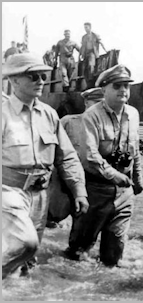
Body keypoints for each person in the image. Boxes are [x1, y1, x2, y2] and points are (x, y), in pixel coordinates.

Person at [2, 53, 88, 279]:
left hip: (41, 194)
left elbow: (66, 157)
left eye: (43, 75)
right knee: (25, 243)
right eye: (33, 76)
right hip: (9, 191)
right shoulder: (3, 114)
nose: (41, 80)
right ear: (14, 81)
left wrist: (79, 190)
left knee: (29, 259)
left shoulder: (49, 115)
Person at [64, 64, 143, 266]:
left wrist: (137, 178)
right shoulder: (92, 116)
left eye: (126, 86)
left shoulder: (133, 114)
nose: (123, 90)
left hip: (124, 192)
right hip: (96, 190)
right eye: (117, 86)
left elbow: (135, 150)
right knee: (79, 252)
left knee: (113, 256)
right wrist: (114, 175)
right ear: (104, 89)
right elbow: (90, 155)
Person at [46, 88, 105, 228]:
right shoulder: (68, 122)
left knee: (83, 225)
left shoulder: (106, 127)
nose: (99, 108)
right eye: (96, 102)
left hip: (92, 184)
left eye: (103, 104)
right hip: (65, 181)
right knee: (52, 218)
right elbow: (52, 150)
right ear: (86, 102)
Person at [80, 22, 106, 88]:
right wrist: (80, 55)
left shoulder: (95, 35)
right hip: (85, 54)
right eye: (84, 27)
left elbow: (101, 42)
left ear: (90, 27)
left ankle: (91, 83)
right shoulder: (84, 37)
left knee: (91, 66)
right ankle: (88, 83)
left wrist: (106, 50)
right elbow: (82, 47)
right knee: (85, 69)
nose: (85, 29)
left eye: (86, 27)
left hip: (92, 53)